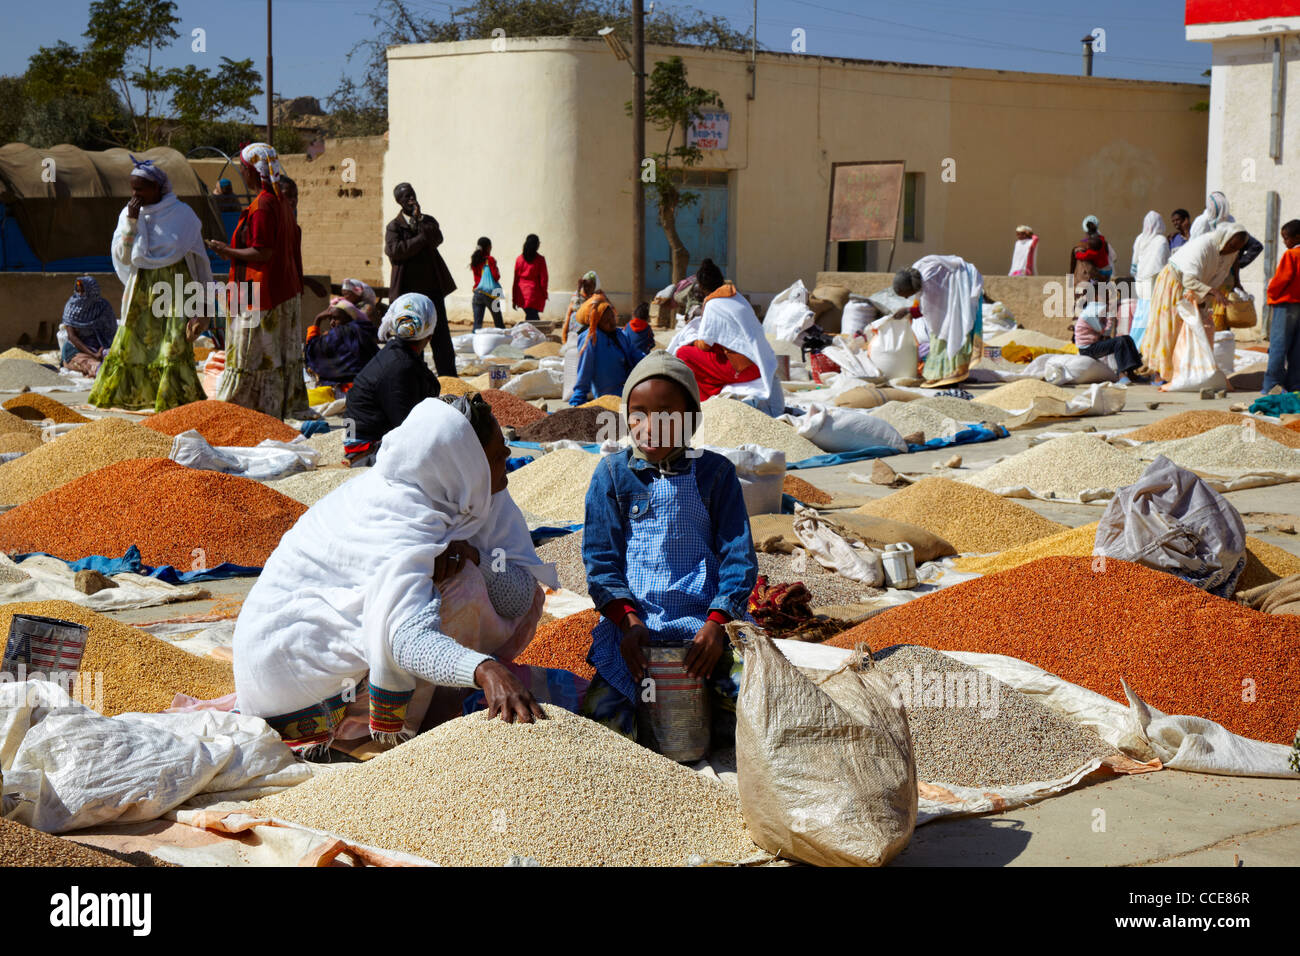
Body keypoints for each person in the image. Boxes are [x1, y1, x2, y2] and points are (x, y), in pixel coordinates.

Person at [233, 396, 555, 757]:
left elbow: (520, 596)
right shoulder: (402, 518)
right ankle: (417, 739)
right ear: (468, 467)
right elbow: (405, 638)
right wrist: (485, 669)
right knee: (460, 586)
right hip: (297, 692)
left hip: (287, 675)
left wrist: (474, 555)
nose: (509, 455)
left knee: (467, 573)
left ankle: (442, 702)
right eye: (498, 454)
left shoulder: (466, 494)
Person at [580, 351, 756, 746]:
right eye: (638, 413)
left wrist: (717, 625)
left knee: (758, 709)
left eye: (666, 413)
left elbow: (738, 558)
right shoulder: (612, 475)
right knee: (605, 730)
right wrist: (628, 622)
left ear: (690, 419)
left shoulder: (716, 474)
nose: (650, 425)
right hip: (635, 636)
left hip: (706, 632)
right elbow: (601, 563)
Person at [90, 157, 211, 412]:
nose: (135, 194)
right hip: (142, 291)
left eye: (141, 189)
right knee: (133, 342)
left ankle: (172, 399)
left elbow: (198, 260)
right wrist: (132, 223)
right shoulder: (129, 214)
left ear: (158, 188)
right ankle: (132, 397)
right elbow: (123, 256)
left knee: (174, 343)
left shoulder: (182, 215)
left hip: (176, 288)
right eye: (133, 189)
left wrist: (202, 305)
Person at [205, 143, 307, 419]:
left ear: (254, 171)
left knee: (250, 354)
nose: (242, 174)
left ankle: (242, 411)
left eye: (243, 168)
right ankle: (272, 409)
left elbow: (263, 252)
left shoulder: (262, 205)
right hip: (281, 291)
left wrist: (225, 251)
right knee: (273, 356)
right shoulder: (282, 203)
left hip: (258, 294)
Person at [668, 259, 783, 415]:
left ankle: (705, 398)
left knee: (683, 353)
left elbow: (705, 345)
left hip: (745, 368)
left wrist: (691, 339)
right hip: (760, 361)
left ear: (701, 287)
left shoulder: (713, 304)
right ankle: (713, 387)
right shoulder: (737, 297)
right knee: (708, 355)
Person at [1139, 222, 1250, 383]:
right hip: (1174, 283)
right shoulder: (1204, 246)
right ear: (1225, 239)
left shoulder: (1230, 253)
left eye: (1237, 248)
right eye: (1231, 245)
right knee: (1169, 328)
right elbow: (1189, 279)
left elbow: (1218, 274)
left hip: (1195, 288)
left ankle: (1182, 372)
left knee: (1191, 330)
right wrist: (1212, 291)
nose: (1233, 250)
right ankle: (1160, 374)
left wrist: (1207, 297)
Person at [343, 292, 441, 466]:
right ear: (430, 336)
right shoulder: (400, 366)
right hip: (367, 453)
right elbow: (407, 427)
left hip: (369, 441)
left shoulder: (398, 353)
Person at [385, 183, 458, 377]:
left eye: (413, 195)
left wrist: (420, 222)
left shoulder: (428, 221)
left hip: (432, 290)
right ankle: (416, 378)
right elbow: (395, 251)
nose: (411, 199)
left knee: (440, 335)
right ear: (399, 202)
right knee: (413, 335)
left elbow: (436, 239)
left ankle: (449, 377)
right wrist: (420, 240)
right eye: (406, 197)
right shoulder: (394, 226)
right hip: (409, 293)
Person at [889, 256, 984, 387]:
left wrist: (909, 311)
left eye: (907, 294)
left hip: (965, 285)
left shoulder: (929, 283)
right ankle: (955, 373)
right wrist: (909, 310)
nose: (906, 297)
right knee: (946, 332)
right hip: (953, 285)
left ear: (913, 287)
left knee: (950, 331)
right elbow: (922, 303)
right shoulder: (917, 272)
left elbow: (931, 311)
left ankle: (951, 376)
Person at [568, 292, 644, 406]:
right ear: (597, 322)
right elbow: (584, 372)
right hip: (608, 398)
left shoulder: (620, 335)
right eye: (606, 321)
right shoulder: (591, 339)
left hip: (630, 390)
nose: (612, 323)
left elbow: (637, 355)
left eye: (612, 317)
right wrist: (578, 401)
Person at [305, 298, 379, 388]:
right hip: (365, 387)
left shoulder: (340, 334)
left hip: (344, 390)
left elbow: (312, 351)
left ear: (349, 317)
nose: (332, 323)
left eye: (336, 318)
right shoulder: (364, 331)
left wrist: (317, 319)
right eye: (330, 319)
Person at [1263, 219, 1300, 394]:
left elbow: (1282, 280)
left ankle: (1272, 385)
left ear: (1297, 237)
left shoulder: (1291, 255)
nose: (1285, 242)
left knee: (1278, 345)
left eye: (1286, 238)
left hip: (1286, 304)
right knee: (1297, 347)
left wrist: (1270, 291)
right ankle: (1295, 384)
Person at [1073, 299, 1148, 384]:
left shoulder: (1096, 312)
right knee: (1119, 342)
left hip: (1094, 344)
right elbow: (1104, 332)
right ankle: (1121, 375)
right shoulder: (1088, 315)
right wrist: (1110, 316)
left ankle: (1131, 373)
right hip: (1087, 349)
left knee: (1127, 338)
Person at [1128, 211, 1171, 348]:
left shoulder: (1140, 238)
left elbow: (1134, 262)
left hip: (1140, 281)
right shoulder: (1161, 240)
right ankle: (1146, 346)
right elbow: (1163, 264)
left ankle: (1134, 345)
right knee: (1151, 313)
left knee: (1140, 313)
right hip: (1154, 281)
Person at [59, 276, 117, 378]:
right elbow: (72, 337)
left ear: (92, 292)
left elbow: (110, 332)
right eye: (78, 291)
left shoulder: (103, 307)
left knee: (118, 362)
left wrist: (103, 349)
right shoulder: (72, 307)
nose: (80, 295)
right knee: (97, 367)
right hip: (76, 351)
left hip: (99, 348)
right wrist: (93, 354)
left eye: (83, 292)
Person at [512, 233, 549, 323]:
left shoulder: (519, 259)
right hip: (534, 294)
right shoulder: (540, 260)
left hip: (521, 293)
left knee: (531, 317)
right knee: (533, 319)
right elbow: (544, 279)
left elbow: (515, 280)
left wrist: (514, 298)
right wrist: (545, 293)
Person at [469, 237, 503, 331]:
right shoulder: (490, 259)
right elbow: (496, 276)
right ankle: (504, 343)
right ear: (488, 247)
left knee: (477, 324)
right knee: (499, 322)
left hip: (477, 293)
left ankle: (474, 343)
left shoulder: (475, 259)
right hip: (491, 294)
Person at [562, 271, 600, 343]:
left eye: (590, 286)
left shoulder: (598, 296)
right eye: (585, 286)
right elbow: (575, 307)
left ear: (595, 286)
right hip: (579, 324)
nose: (587, 288)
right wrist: (579, 290)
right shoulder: (578, 294)